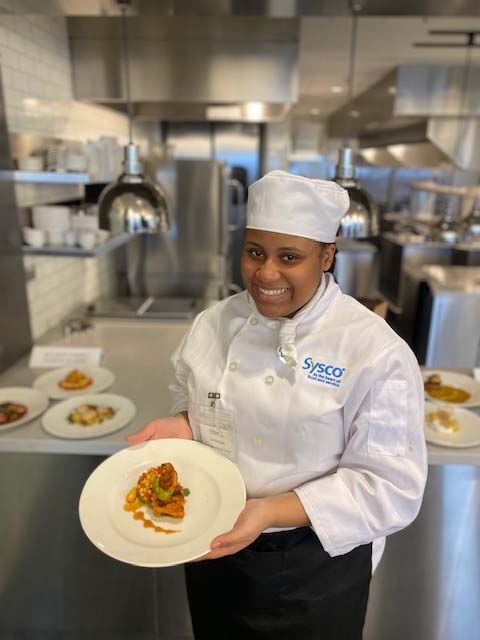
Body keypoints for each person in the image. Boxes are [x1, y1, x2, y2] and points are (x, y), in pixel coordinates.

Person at [126, 170, 428, 640]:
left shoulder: (374, 350)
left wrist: (268, 512)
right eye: (255, 252)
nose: (266, 273)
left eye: (290, 257)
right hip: (215, 539)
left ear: (326, 256)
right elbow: (197, 401)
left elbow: (390, 487)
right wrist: (184, 424)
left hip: (317, 563)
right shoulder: (213, 324)